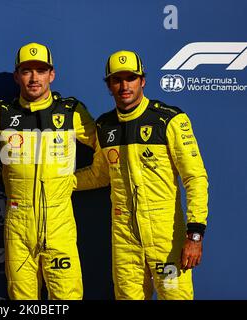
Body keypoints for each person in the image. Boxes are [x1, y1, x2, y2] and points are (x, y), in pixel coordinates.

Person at [74, 50, 209, 300]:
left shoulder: (169, 120)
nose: (125, 86)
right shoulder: (105, 126)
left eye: (131, 78)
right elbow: (100, 175)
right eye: (117, 80)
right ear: (109, 86)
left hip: (167, 241)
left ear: (142, 81)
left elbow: (195, 178)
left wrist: (195, 235)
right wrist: (62, 182)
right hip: (125, 243)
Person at [0, 42, 96, 299]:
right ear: (17, 76)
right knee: (22, 298)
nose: (34, 78)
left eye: (40, 70)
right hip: (18, 224)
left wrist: (75, 182)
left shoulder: (71, 111)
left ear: (51, 75)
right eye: (27, 71)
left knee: (66, 297)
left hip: (59, 224)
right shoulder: (2, 113)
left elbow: (110, 149)